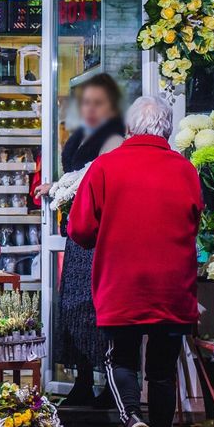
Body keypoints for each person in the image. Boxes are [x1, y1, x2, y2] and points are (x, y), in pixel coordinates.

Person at [67, 96, 203, 427]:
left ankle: (131, 421)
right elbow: (195, 220)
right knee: (162, 370)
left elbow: (79, 229)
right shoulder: (186, 170)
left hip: (122, 283)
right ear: (168, 130)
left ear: (129, 129)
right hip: (173, 286)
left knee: (121, 359)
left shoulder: (105, 167)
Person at [48, 74, 126, 407]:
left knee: (94, 310)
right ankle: (81, 379)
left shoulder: (114, 139)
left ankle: (109, 388)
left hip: (98, 240)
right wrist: (55, 186)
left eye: (99, 103)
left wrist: (67, 189)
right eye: (87, 103)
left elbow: (103, 180)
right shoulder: (82, 134)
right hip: (77, 236)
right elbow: (76, 176)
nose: (91, 109)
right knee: (74, 306)